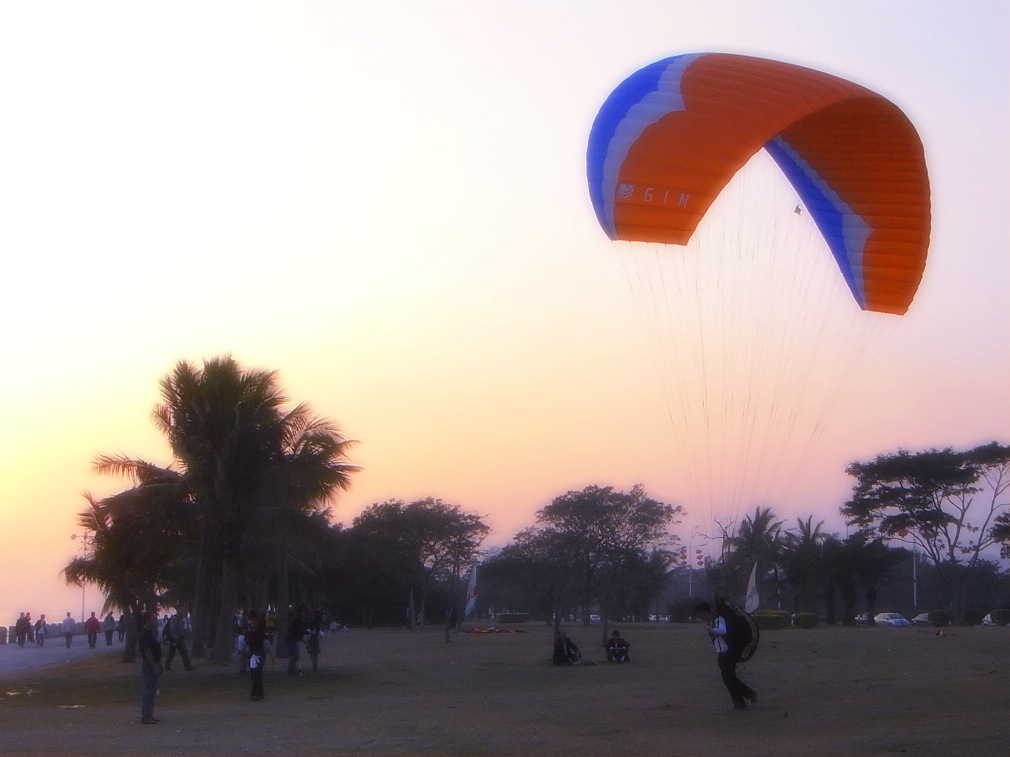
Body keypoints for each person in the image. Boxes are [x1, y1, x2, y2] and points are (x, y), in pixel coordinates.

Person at [695, 600, 757, 710]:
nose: (700, 618)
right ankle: (740, 702)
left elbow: (722, 630)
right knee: (728, 679)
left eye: (700, 615)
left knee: (728, 678)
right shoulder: (711, 622)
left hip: (729, 652)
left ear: (704, 612)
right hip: (722, 654)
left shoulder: (719, 619)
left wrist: (710, 630)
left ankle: (747, 695)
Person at [138, 610, 163, 724]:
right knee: (149, 689)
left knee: (152, 690)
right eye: (153, 619)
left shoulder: (150, 633)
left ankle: (149, 714)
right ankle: (146, 715)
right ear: (147, 621)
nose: (155, 621)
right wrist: (154, 666)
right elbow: (147, 652)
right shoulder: (145, 634)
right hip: (149, 665)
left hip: (153, 663)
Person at [245, 611, 273, 701]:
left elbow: (266, 645)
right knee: (254, 675)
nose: (253, 623)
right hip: (251, 656)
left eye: (255, 621)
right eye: (252, 621)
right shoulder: (248, 634)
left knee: (257, 673)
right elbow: (245, 646)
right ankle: (260, 693)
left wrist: (271, 655)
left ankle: (254, 694)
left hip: (259, 655)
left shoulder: (261, 634)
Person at [285, 607, 305, 675]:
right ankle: (291, 669)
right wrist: (302, 637)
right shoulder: (298, 619)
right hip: (292, 639)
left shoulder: (295, 619)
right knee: (295, 655)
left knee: (292, 655)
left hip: (290, 639)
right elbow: (298, 630)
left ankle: (291, 668)